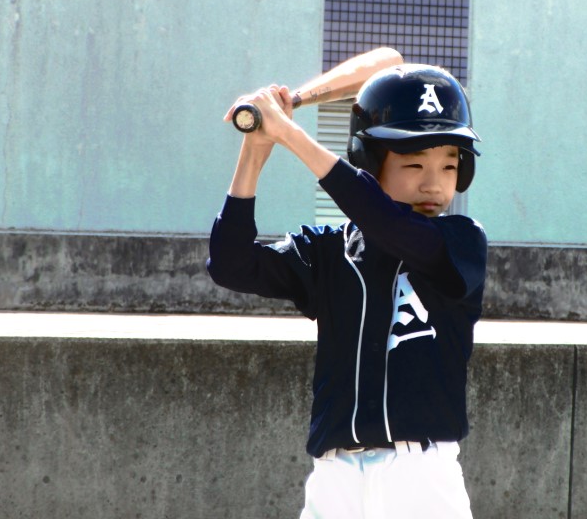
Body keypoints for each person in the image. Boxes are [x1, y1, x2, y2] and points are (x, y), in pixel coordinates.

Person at [207, 63, 487, 518]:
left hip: (422, 476)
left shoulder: (462, 241)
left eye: (449, 165)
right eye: (414, 163)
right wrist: (256, 149)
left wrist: (290, 134)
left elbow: (385, 222)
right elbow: (230, 264)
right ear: (370, 165)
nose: (433, 182)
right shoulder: (327, 250)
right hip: (335, 479)